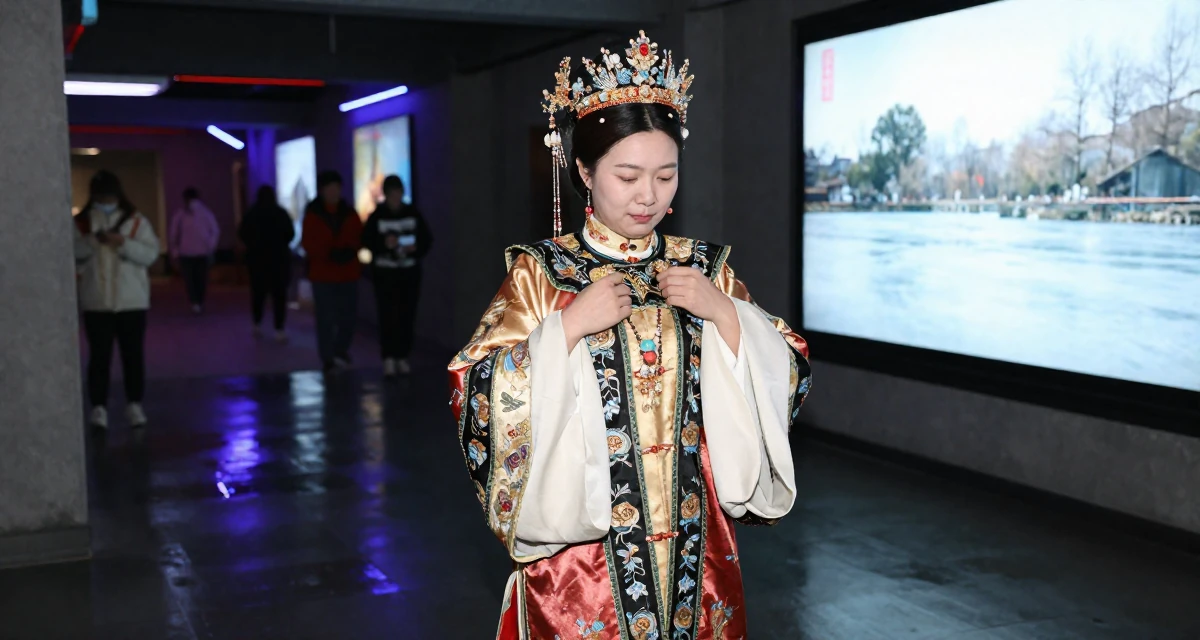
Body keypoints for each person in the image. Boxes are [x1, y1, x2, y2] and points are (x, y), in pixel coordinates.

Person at [448, 31, 812, 639]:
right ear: (585, 172)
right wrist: (566, 327)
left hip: (697, 540)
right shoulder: (542, 274)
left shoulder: (703, 266)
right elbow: (473, 390)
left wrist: (723, 312)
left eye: (666, 176)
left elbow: (791, 367)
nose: (649, 196)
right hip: (581, 555)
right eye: (628, 175)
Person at [73, 170, 161, 431]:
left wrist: (122, 242)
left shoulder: (136, 222)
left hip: (131, 302)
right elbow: (72, 252)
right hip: (96, 302)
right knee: (99, 358)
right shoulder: (82, 223)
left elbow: (150, 254)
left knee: (132, 356)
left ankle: (134, 404)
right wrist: (93, 242)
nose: (106, 201)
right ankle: (98, 408)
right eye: (101, 197)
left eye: (109, 197)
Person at [361, 175, 432, 377]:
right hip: (385, 274)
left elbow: (426, 240)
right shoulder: (377, 215)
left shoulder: (412, 213)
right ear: (386, 195)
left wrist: (415, 248)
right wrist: (384, 244)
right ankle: (389, 358)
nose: (395, 198)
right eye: (392, 194)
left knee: (407, 315)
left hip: (408, 274)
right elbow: (366, 240)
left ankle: (402, 357)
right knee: (387, 316)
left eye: (398, 193)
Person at [301, 170, 363, 373]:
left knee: (349, 317)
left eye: (336, 187)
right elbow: (309, 242)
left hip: (347, 273)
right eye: (329, 188)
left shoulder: (348, 212)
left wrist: (348, 250)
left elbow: (358, 235)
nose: (333, 192)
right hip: (323, 274)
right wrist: (331, 252)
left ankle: (340, 350)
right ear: (322, 190)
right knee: (326, 319)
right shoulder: (313, 213)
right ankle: (328, 357)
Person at [239, 185, 295, 341]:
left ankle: (257, 323)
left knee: (258, 294)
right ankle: (279, 328)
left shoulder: (251, 214)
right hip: (279, 261)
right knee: (279, 296)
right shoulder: (281, 213)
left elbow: (242, 233)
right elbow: (290, 234)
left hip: (257, 261)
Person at [169, 187, 220, 314]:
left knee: (192, 280)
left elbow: (173, 234)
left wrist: (175, 251)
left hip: (188, 253)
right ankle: (198, 301)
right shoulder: (205, 213)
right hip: (198, 253)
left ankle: (196, 302)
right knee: (198, 279)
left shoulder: (181, 214)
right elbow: (215, 231)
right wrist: (210, 247)